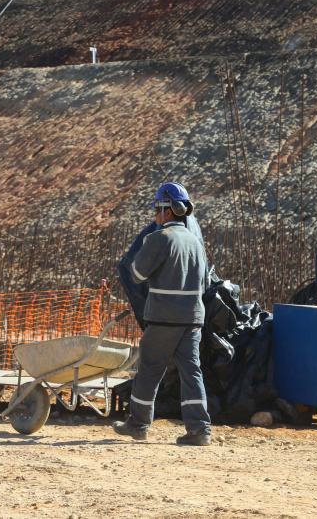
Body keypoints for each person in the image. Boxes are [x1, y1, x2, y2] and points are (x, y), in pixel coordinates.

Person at [112, 182, 212, 446]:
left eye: (157, 209)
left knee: (149, 370)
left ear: (168, 211)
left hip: (163, 318)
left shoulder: (159, 238)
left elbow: (136, 275)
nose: (155, 216)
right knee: (192, 372)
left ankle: (138, 425)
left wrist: (147, 247)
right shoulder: (195, 241)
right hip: (193, 318)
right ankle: (200, 429)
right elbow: (205, 283)